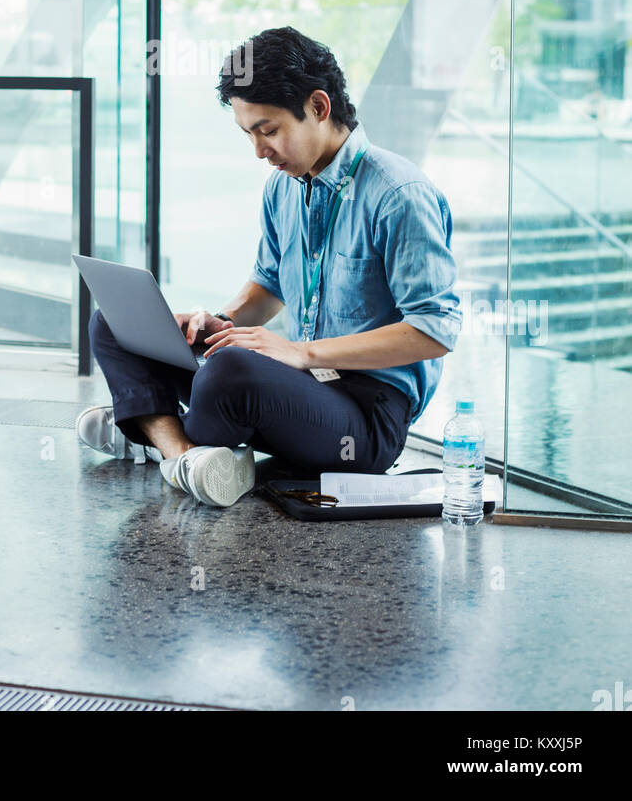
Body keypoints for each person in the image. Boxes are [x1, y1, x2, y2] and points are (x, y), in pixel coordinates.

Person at [77, 25, 462, 507]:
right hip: (298, 387)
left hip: (366, 417)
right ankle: (180, 453)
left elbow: (434, 330)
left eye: (269, 131)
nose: (260, 151)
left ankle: (148, 427)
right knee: (117, 321)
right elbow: (269, 284)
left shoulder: (400, 196)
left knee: (230, 373)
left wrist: (302, 352)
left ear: (319, 108)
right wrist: (218, 324)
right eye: (249, 134)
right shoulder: (284, 187)